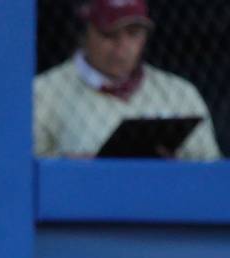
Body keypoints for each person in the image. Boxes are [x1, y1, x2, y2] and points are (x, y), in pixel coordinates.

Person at [34, 0, 221, 159]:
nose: (122, 47)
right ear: (85, 32)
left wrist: (172, 169)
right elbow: (22, 171)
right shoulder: (43, 91)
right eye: (109, 34)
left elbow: (210, 169)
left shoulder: (179, 92)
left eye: (133, 33)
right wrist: (71, 166)